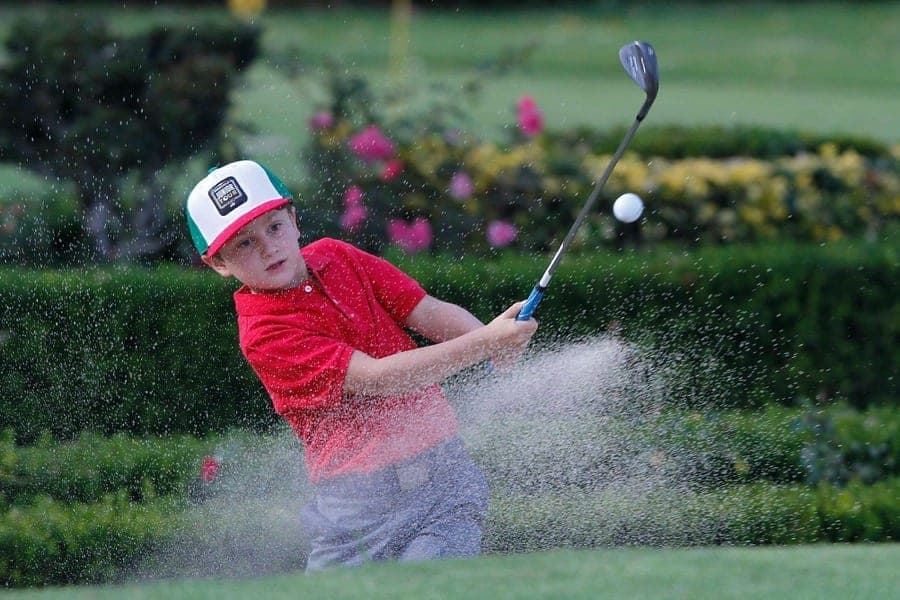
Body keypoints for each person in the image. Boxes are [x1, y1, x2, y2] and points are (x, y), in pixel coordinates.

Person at [185, 160, 537, 571]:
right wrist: (486, 342)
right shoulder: (264, 334)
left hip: (444, 476)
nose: (267, 248)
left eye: (274, 227)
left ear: (294, 220)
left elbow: (425, 310)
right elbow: (380, 379)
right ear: (218, 263)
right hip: (357, 510)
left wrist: (491, 341)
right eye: (244, 243)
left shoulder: (338, 255)